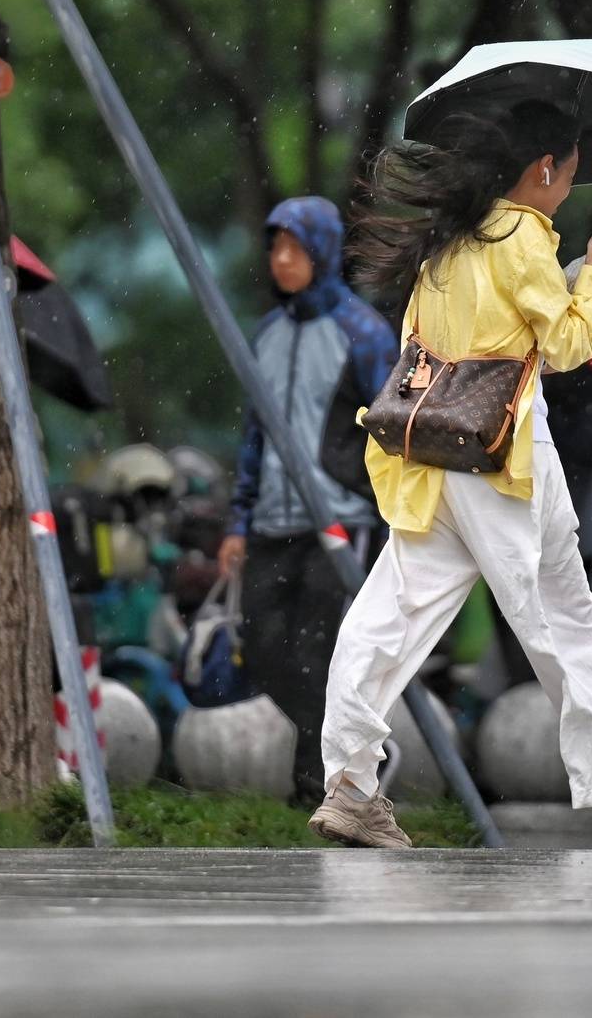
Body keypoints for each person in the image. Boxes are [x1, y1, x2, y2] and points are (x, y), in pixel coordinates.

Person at [309, 101, 592, 850]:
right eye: (568, 175)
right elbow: (568, 347)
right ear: (544, 168)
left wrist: (567, 279)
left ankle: (349, 784)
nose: (567, 189)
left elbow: (451, 343)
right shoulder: (521, 235)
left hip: (435, 454)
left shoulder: (450, 239)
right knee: (563, 622)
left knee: (391, 615)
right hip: (506, 457)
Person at [217, 196, 398, 805]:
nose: (282, 259)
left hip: (341, 521)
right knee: (263, 645)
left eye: (294, 248)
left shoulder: (363, 333)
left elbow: (390, 430)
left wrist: (384, 514)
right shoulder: (266, 335)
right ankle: (349, 757)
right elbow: (253, 436)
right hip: (271, 522)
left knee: (321, 650)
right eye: (275, 247)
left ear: (321, 251)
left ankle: (318, 786)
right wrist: (237, 521)